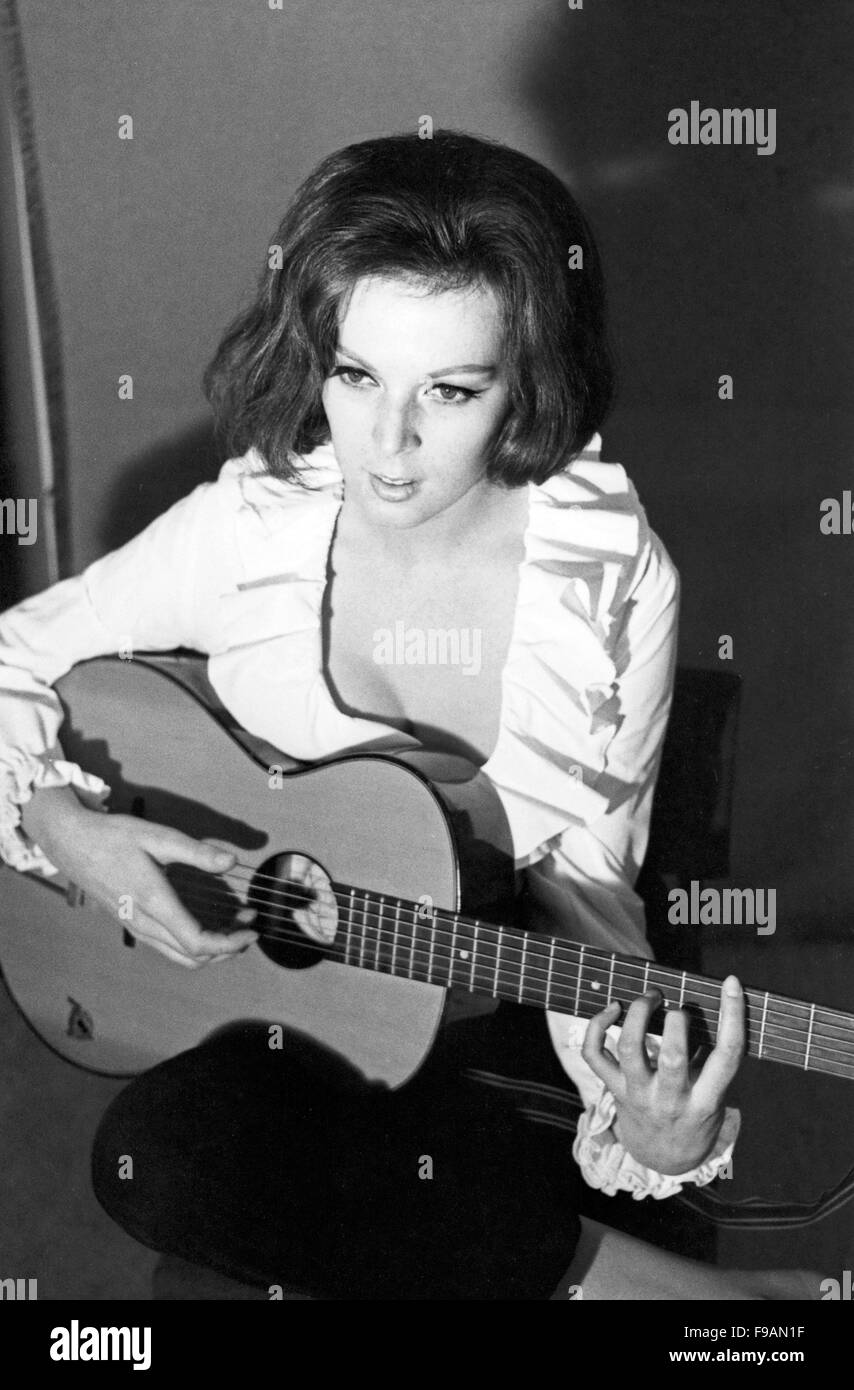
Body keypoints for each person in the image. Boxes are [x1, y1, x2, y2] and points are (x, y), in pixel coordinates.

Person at [0, 130, 744, 1299]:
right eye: (355, 377)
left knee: (442, 1174)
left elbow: (587, 890)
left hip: (480, 995)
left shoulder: (609, 574)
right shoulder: (249, 527)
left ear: (527, 381)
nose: (384, 448)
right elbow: (11, 661)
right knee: (157, 1160)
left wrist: (643, 1119)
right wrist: (64, 825)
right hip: (270, 1009)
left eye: (448, 391)